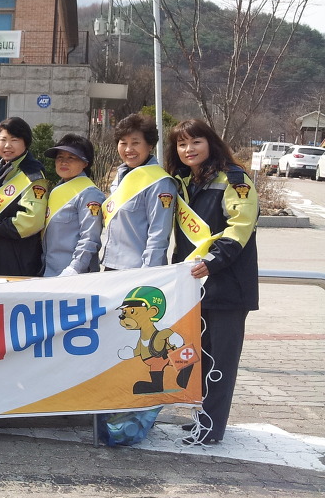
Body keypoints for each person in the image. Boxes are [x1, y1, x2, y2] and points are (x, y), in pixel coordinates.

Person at [167, 118, 258, 446]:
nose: (188, 149)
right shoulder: (183, 182)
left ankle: (211, 427)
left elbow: (240, 226)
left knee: (221, 361)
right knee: (200, 358)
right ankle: (202, 417)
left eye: (196, 142)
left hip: (226, 285)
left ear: (211, 143)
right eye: (182, 144)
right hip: (195, 286)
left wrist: (213, 261)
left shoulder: (234, 178)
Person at [101, 113, 175, 270]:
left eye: (135, 143)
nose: (129, 149)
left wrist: (146, 273)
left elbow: (158, 234)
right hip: (111, 265)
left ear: (150, 145)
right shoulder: (120, 175)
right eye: (123, 143)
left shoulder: (159, 182)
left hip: (138, 269)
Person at [0, 117, 49, 277]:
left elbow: (32, 219)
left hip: (16, 258)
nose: (7, 145)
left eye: (14, 140)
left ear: (26, 143)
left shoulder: (32, 174)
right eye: (3, 139)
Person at [41, 133, 105, 276]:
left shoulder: (89, 194)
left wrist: (75, 268)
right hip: (50, 271)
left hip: (74, 275)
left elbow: (90, 237)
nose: (64, 162)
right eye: (60, 157)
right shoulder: (57, 190)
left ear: (85, 163)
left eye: (71, 157)